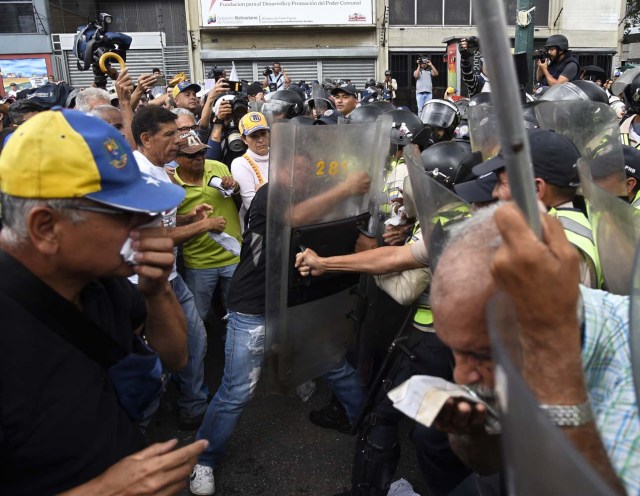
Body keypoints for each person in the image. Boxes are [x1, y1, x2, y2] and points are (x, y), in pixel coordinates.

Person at [0, 108, 208, 495]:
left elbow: (176, 359)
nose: (146, 227)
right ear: (45, 227)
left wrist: (156, 291)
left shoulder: (100, 282)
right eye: (124, 215)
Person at [190, 155, 371, 496]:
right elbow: (293, 219)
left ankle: (370, 432)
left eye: (306, 166)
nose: (299, 172)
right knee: (237, 390)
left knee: (335, 367)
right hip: (255, 305)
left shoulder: (320, 196)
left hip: (297, 304)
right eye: (292, 165)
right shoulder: (269, 193)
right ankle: (205, 459)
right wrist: (347, 188)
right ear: (279, 169)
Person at [430, 203, 638, 495]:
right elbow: (488, 464)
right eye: (454, 350)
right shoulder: (487, 342)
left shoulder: (629, 355)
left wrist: (555, 363)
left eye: (480, 355)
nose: (462, 376)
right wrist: (473, 432)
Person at [131, 105, 218, 430]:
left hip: (171, 276)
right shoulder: (139, 176)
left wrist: (189, 217)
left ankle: (192, 405)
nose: (179, 141)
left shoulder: (159, 168)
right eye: (170, 135)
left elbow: (162, 221)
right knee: (157, 356)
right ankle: (138, 426)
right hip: (148, 281)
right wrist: (204, 225)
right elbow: (155, 237)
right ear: (146, 138)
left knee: (194, 339)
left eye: (179, 133)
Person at [472, 128, 602, 289]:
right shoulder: (578, 218)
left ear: (536, 188)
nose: (494, 192)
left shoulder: (551, 248)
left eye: (502, 183)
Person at [173, 132, 242, 321]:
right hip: (199, 262)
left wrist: (234, 187)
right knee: (196, 318)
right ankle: (198, 350)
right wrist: (193, 220)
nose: (199, 158)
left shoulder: (218, 167)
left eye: (202, 153)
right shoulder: (172, 185)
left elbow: (239, 199)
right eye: (191, 155)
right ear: (176, 158)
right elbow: (169, 222)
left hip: (233, 255)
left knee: (238, 314)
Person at [230, 111, 270, 227]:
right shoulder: (240, 163)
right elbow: (252, 206)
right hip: (260, 229)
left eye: (263, 133)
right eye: (254, 136)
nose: (260, 140)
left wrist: (262, 189)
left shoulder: (280, 154)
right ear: (244, 139)